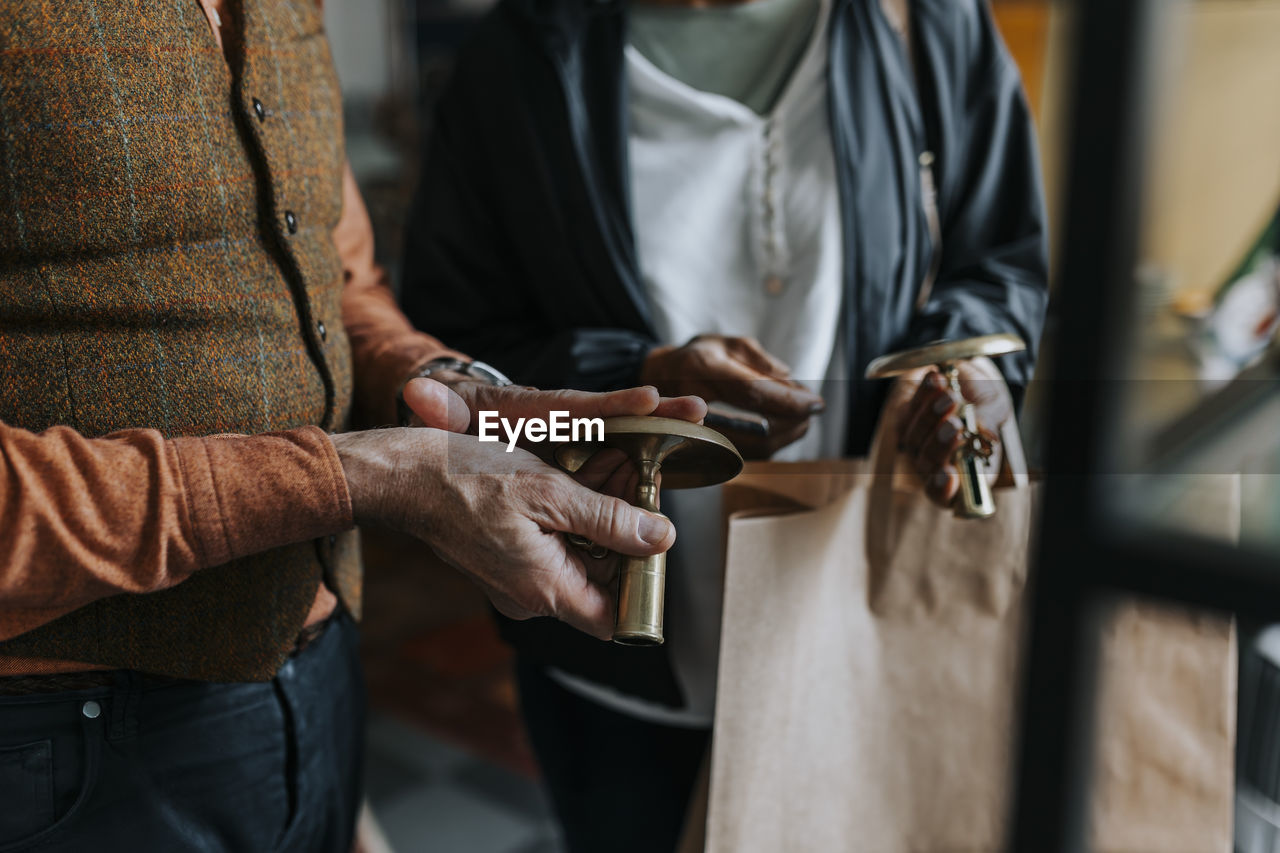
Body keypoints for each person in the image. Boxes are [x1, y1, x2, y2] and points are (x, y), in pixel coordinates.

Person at [0, 2, 705, 850]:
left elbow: (336, 278)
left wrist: (444, 388)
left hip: (315, 683)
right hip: (53, 741)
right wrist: (364, 476)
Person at [400, 0, 1049, 848]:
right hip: (614, 654)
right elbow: (452, 346)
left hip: (861, 619)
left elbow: (1002, 261)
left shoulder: (927, 21)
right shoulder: (524, 53)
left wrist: (971, 368)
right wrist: (636, 381)